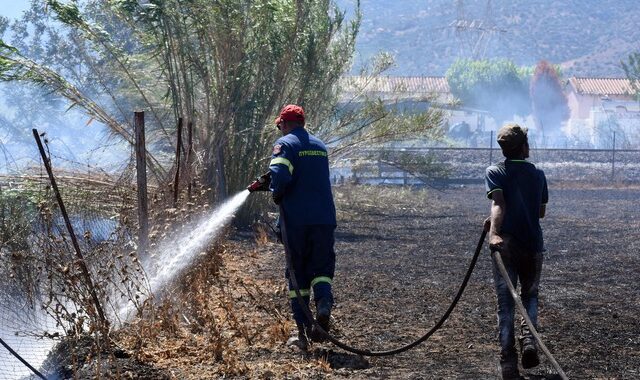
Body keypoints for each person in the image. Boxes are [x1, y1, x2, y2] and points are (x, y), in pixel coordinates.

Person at [268, 104, 337, 350]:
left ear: (285, 124)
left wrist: (275, 193)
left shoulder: (285, 144)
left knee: (297, 275)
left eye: (280, 125)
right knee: (320, 269)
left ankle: (303, 332)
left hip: (296, 221)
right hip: (324, 219)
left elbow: (280, 173)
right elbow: (307, 176)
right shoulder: (320, 147)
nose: (280, 129)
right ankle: (324, 304)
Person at [484, 124, 548, 380]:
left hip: (506, 246)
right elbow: (540, 212)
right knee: (530, 296)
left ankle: (508, 363)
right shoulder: (538, 175)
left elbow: (499, 202)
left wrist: (494, 232)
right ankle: (529, 342)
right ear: (524, 146)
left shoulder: (495, 171)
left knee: (505, 304)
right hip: (532, 244)